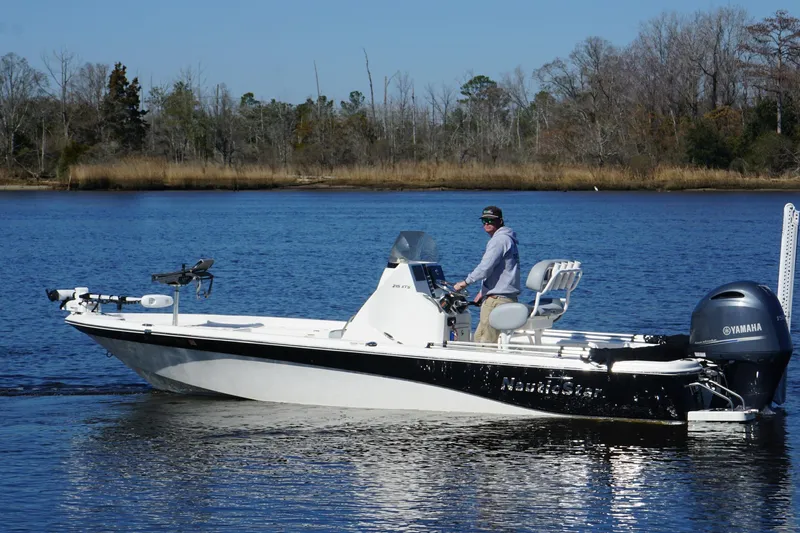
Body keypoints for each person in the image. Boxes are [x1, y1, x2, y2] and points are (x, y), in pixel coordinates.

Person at [454, 206, 521, 344]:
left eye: (490, 220)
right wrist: (482, 292)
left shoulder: (498, 241)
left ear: (500, 221)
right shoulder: (509, 239)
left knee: (483, 342)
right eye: (484, 220)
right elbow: (500, 270)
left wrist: (464, 283)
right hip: (508, 298)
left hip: (496, 301)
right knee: (487, 339)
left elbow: (485, 268)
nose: (486, 223)